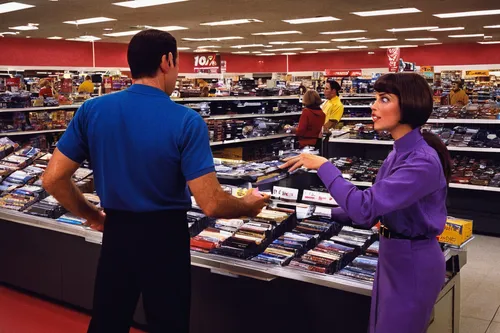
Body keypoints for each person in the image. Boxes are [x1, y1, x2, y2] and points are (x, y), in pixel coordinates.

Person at [42, 29, 269, 333]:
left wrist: (93, 216)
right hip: (165, 237)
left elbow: (53, 178)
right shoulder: (186, 121)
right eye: (177, 63)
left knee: (108, 321)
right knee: (168, 323)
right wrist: (247, 206)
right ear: (166, 61)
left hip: (117, 232)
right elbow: (211, 203)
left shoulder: (92, 110)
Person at [280, 73, 451, 333]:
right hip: (393, 253)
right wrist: (310, 211)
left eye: (384, 99)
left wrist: (324, 166)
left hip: (413, 262)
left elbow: (363, 209)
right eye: (375, 98)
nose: (373, 106)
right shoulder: (398, 151)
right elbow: (371, 214)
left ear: (409, 105)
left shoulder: (421, 161)